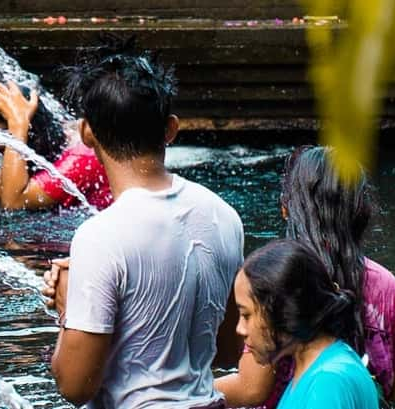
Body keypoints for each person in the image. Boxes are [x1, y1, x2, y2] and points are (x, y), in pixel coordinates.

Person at [41, 51, 245, 408]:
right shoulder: (224, 216)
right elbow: (227, 350)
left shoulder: (100, 237)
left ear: (87, 133)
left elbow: (75, 387)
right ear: (170, 129)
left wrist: (67, 309)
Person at [214, 146, 395, 408]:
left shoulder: (280, 281)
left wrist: (177, 392)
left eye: (247, 316)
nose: (242, 327)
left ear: (287, 208)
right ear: (360, 211)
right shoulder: (388, 286)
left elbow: (252, 390)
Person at [235, 239, 379, 409]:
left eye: (246, 315)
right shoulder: (315, 371)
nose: (240, 329)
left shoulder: (328, 383)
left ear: (283, 311)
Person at [0, 82, 113, 211]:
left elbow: (12, 204)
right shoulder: (38, 152)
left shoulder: (78, 156)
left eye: (3, 134)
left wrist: (18, 124)